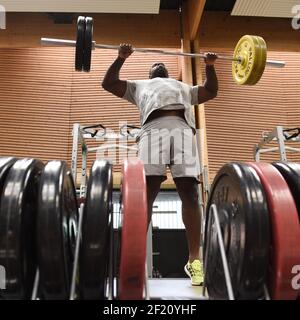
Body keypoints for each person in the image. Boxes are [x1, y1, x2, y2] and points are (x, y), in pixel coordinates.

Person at [102, 44, 218, 286]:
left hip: (184, 132)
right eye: (154, 65)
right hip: (152, 131)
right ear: (149, 74)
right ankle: (135, 258)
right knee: (147, 193)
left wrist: (209, 66)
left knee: (190, 192)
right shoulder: (138, 86)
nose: (159, 65)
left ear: (167, 73)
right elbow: (109, 83)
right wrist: (120, 58)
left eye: (161, 65)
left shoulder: (183, 87)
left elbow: (210, 91)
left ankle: (194, 260)